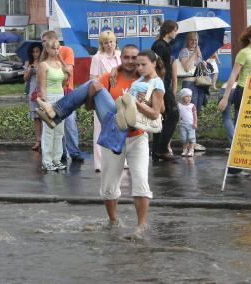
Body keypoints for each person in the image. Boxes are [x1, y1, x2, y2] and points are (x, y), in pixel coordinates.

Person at [36, 45, 165, 238]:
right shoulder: (117, 76)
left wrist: (134, 102)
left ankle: (141, 226)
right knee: (93, 85)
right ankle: (113, 222)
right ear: (121, 58)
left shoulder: (154, 82)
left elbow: (158, 111)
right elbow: (89, 105)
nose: (133, 63)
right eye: (128, 59)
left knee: (141, 182)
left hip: (136, 134)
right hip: (113, 126)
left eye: (137, 60)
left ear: (151, 63)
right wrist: (113, 74)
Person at [218, 25, 251, 177]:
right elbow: (233, 77)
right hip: (243, 91)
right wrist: (225, 98)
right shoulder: (243, 53)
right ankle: (236, 166)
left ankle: (237, 167)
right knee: (242, 129)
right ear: (250, 38)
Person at [41, 31, 84, 162]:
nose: (42, 44)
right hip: (51, 94)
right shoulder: (45, 59)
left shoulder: (67, 50)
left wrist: (59, 56)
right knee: (52, 128)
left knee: (68, 123)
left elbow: (69, 70)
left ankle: (73, 151)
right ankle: (58, 155)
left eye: (44, 41)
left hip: (66, 91)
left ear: (54, 40)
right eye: (43, 42)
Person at [89, 31, 121, 172]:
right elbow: (93, 80)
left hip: (120, 96)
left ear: (115, 42)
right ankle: (99, 163)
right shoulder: (97, 58)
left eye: (111, 41)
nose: (109, 45)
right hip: (102, 97)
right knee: (100, 129)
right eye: (106, 42)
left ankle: (121, 160)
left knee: (120, 127)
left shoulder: (121, 55)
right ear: (101, 44)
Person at [36, 39, 69, 171]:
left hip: (60, 97)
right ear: (47, 50)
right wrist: (44, 103)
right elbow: (42, 86)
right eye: (53, 48)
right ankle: (47, 160)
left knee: (59, 131)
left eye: (57, 48)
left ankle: (56, 159)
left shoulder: (59, 63)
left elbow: (63, 82)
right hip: (49, 98)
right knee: (49, 130)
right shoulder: (43, 65)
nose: (56, 51)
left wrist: (63, 62)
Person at [151, 20, 179, 161]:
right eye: (175, 30)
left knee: (162, 117)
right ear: (170, 30)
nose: (176, 33)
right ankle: (161, 149)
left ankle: (157, 151)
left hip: (162, 84)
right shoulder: (160, 46)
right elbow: (157, 67)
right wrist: (160, 87)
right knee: (174, 115)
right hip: (161, 85)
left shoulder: (164, 45)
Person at [178, 31, 207, 152]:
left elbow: (198, 67)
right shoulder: (184, 51)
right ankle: (189, 143)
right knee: (188, 112)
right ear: (187, 40)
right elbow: (186, 66)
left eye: (196, 40)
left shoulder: (199, 51)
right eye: (192, 40)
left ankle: (193, 141)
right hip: (189, 83)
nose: (194, 42)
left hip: (199, 83)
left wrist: (203, 63)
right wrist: (194, 53)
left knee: (196, 111)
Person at [24, 43, 43, 152]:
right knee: (36, 117)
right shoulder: (28, 63)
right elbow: (25, 78)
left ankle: (44, 140)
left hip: (42, 90)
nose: (35, 54)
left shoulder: (44, 62)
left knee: (44, 116)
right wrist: (30, 72)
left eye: (37, 51)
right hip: (32, 91)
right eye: (33, 52)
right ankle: (38, 140)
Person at [178, 88, 197, 157]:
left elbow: (195, 115)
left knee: (191, 137)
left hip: (191, 125)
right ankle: (185, 149)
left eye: (190, 96)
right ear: (182, 97)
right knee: (183, 138)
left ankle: (191, 150)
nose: (189, 98)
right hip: (182, 125)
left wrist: (195, 123)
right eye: (187, 96)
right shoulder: (179, 105)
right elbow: (178, 115)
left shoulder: (192, 106)